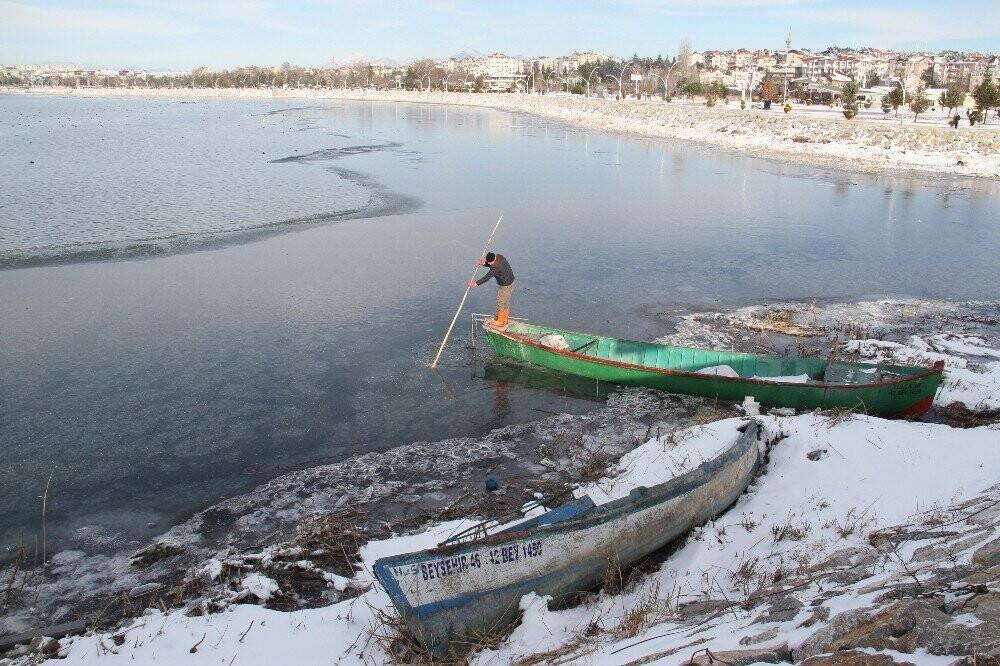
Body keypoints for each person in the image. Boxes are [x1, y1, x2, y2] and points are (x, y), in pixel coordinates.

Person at [468, 252, 515, 329]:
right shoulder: (500, 257)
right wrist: (484, 263)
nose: (488, 263)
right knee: (505, 302)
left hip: (505, 286)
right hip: (512, 283)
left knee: (501, 302)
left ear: (491, 261)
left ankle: (500, 322)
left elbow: (487, 277)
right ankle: (504, 319)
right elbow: (492, 264)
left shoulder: (496, 268)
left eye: (488, 262)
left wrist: (475, 284)